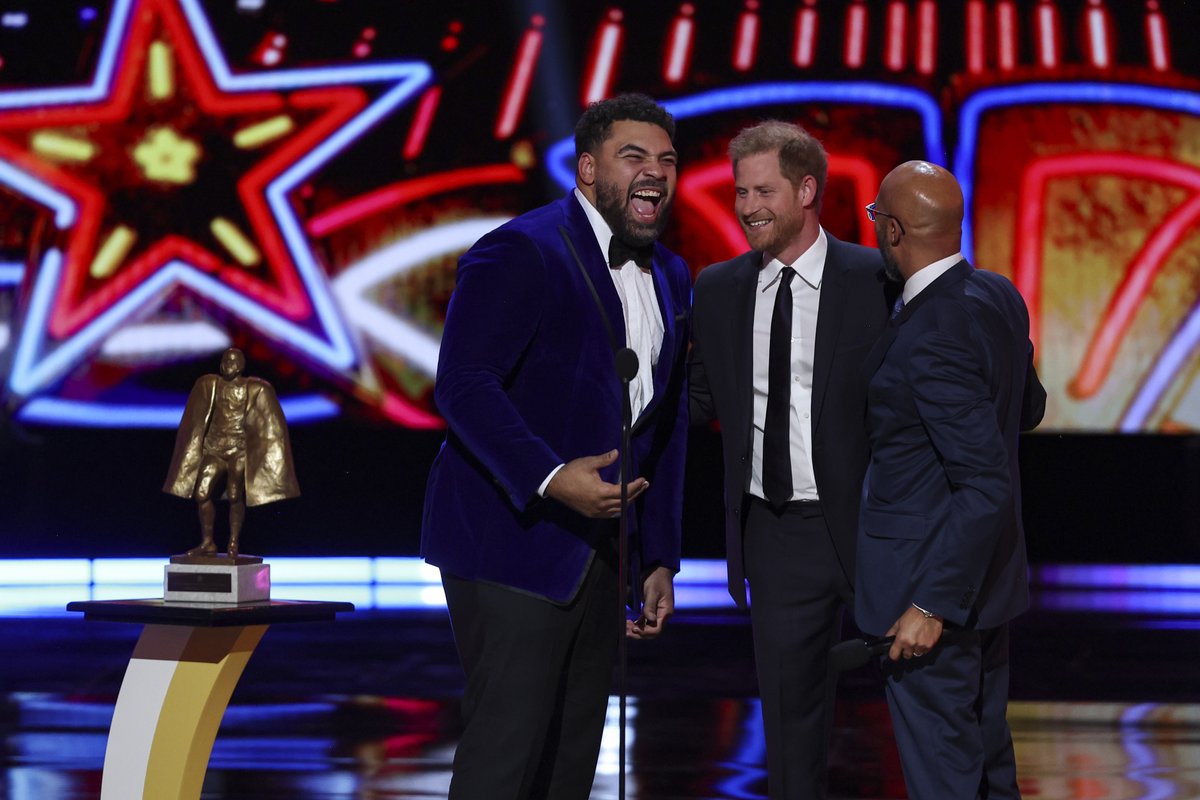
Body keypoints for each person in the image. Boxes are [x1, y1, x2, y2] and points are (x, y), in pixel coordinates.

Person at [420, 93, 691, 800]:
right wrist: (548, 475)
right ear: (589, 167)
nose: (655, 172)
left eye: (667, 159)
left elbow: (663, 425)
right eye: (635, 156)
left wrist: (657, 554)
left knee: (571, 759)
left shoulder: (671, 275)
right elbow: (465, 385)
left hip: (603, 551)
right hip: (511, 539)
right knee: (507, 753)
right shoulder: (524, 249)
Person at [689, 120, 893, 799]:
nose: (748, 207)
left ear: (808, 190)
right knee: (790, 729)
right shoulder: (718, 288)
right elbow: (693, 400)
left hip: (875, 527)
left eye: (765, 191)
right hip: (777, 531)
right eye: (741, 192)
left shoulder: (876, 279)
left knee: (925, 712)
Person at [856, 160, 1047, 799]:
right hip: (987, 589)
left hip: (932, 598)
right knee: (987, 772)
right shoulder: (997, 294)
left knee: (945, 777)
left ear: (893, 232)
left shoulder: (929, 335)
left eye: (876, 217)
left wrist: (930, 604)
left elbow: (984, 480)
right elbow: (1028, 410)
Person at [163, 347, 299, 558]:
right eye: (226, 360)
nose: (229, 364)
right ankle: (208, 542)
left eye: (233, 361)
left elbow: (268, 423)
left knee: (236, 494)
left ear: (241, 365)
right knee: (202, 493)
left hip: (239, 451)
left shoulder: (253, 388)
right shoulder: (211, 385)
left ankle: (233, 541)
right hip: (215, 449)